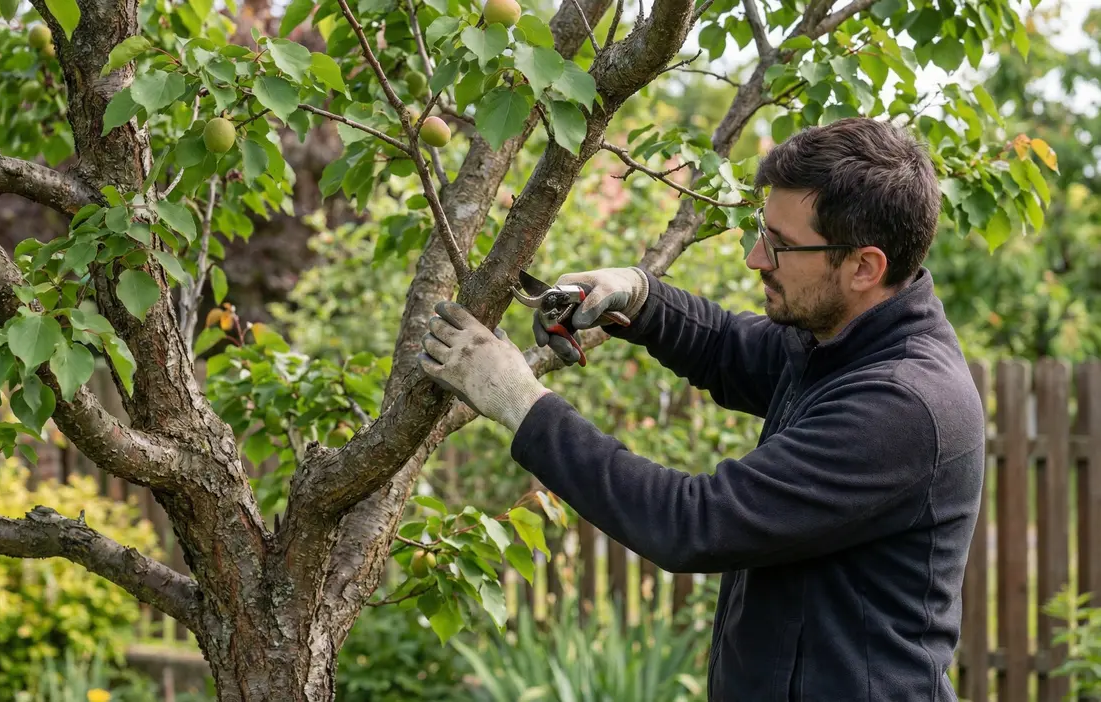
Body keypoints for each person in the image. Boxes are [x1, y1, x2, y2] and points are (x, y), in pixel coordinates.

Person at [417, 117, 986, 701]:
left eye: (782, 245)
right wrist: (638, 296)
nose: (756, 259)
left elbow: (692, 523)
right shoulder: (841, 339)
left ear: (865, 267)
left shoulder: (901, 405)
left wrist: (521, 403)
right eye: (763, 233)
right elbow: (729, 348)